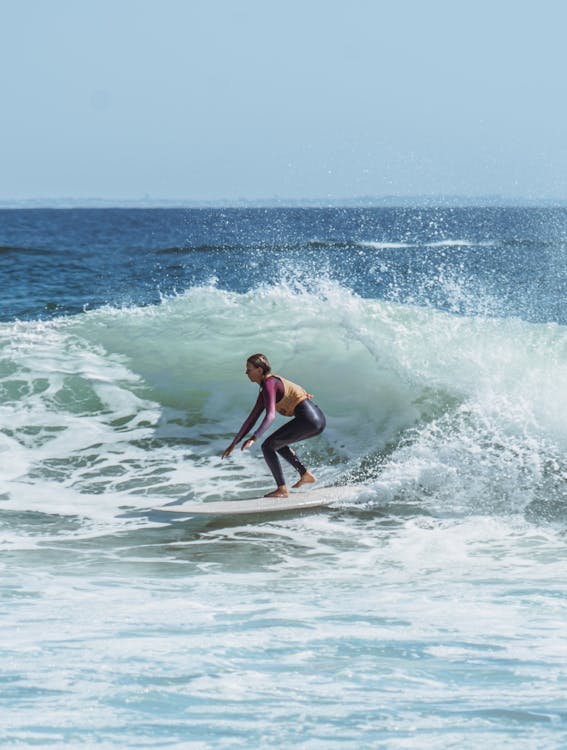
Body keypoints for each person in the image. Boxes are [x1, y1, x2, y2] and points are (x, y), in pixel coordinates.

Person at [221, 353, 326, 498]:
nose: (246, 373)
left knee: (267, 446)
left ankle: (282, 489)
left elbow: (270, 415)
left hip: (309, 419)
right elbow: (252, 418)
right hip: (315, 420)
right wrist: (234, 443)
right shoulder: (265, 389)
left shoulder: (270, 384)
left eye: (249, 369)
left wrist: (254, 438)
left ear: (259, 370)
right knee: (277, 443)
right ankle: (305, 474)